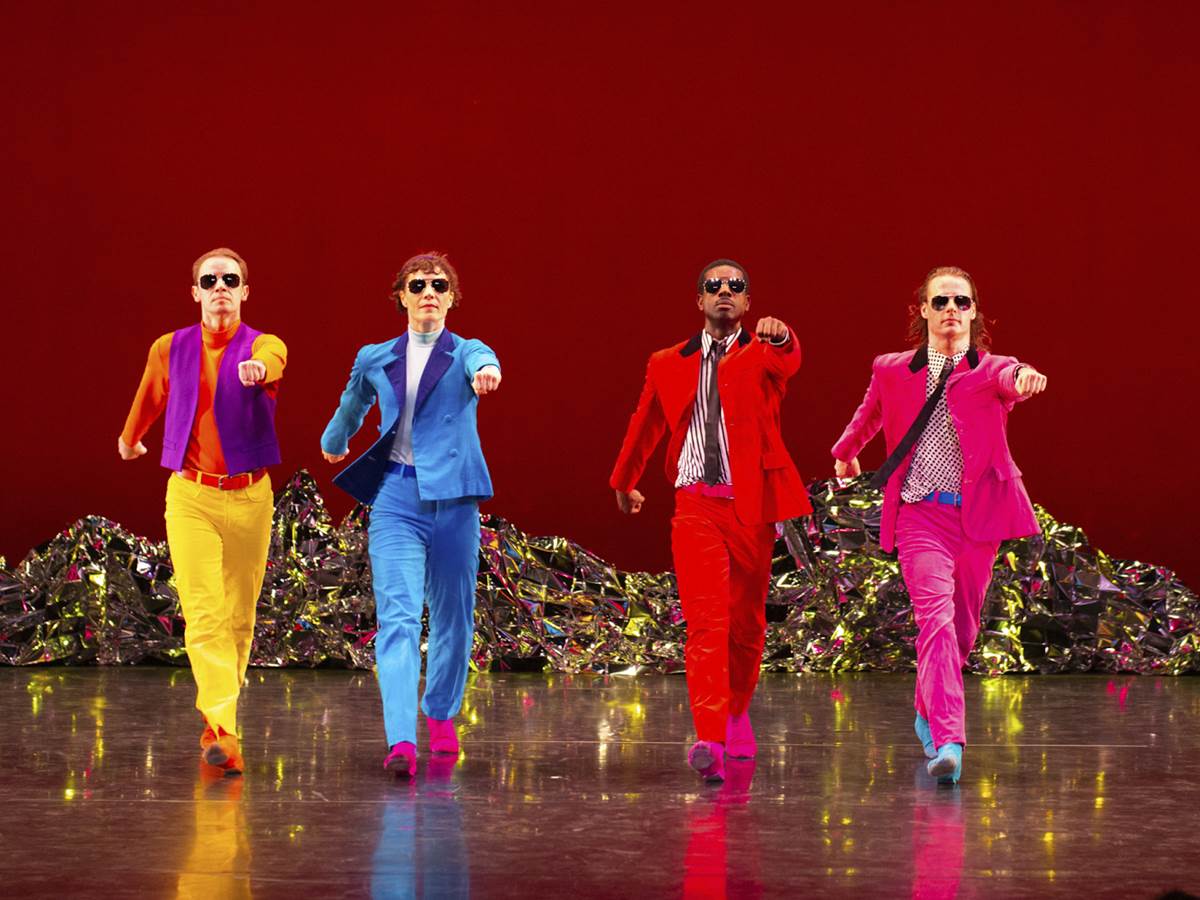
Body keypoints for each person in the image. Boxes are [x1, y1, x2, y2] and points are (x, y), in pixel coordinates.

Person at [831, 265, 1047, 784]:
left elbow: (1011, 377)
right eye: (942, 301)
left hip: (977, 518)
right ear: (924, 311)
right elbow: (870, 413)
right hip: (919, 514)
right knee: (937, 621)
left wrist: (1024, 377)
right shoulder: (891, 369)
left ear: (974, 313)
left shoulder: (991, 369)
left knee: (963, 630)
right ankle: (949, 742)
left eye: (962, 302)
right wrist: (845, 452)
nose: (952, 309)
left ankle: (927, 710)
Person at [610, 258, 811, 783]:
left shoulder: (762, 352)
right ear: (699, 299)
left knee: (746, 625)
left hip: (751, 505)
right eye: (713, 285)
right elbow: (646, 421)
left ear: (746, 302)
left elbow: (790, 359)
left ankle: (737, 712)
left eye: (735, 286)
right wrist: (625, 479)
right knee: (706, 623)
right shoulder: (667, 362)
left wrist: (782, 335)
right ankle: (710, 738)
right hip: (694, 505)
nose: (725, 291)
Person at [321, 252, 501, 778]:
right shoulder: (376, 356)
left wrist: (488, 371)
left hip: (454, 500)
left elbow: (483, 359)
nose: (428, 293)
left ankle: (440, 713)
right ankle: (401, 738)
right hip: (396, 499)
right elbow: (353, 402)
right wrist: (335, 439)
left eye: (439, 285)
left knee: (453, 617)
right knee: (397, 617)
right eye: (418, 285)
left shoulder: (465, 351)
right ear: (400, 295)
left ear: (451, 298)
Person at [119, 247, 287, 776]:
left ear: (244, 291)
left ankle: (219, 724)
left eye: (230, 280)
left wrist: (260, 369)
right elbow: (150, 395)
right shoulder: (169, 347)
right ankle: (224, 729)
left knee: (239, 617)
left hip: (251, 497)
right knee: (206, 613)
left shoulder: (263, 344)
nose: (220, 288)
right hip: (191, 496)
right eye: (209, 280)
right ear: (195, 292)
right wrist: (130, 438)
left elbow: (276, 360)